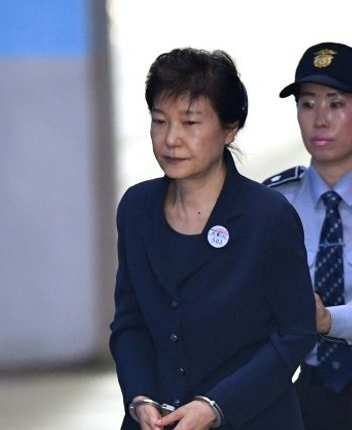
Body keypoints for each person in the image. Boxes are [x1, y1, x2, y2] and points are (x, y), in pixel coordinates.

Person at [109, 47, 317, 430]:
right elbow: (130, 321)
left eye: (190, 123)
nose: (171, 139)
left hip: (250, 418)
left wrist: (215, 406)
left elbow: (295, 333)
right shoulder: (137, 208)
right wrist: (139, 398)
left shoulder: (267, 216)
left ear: (229, 128)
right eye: (159, 121)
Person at [263, 42, 352, 430]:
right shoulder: (272, 203)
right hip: (307, 391)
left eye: (336, 104)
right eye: (307, 104)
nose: (320, 120)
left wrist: (327, 319)